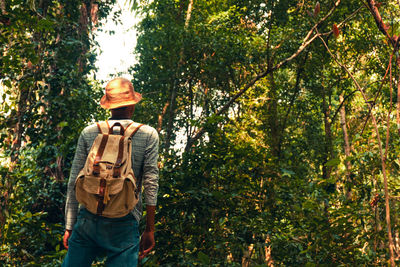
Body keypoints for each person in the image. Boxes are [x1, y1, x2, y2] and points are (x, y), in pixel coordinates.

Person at [62, 77, 159, 266]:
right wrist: (149, 229)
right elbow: (151, 184)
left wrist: (69, 225)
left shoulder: (89, 132)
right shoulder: (148, 134)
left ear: (109, 106)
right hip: (124, 219)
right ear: (131, 105)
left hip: (87, 218)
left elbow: (74, 181)